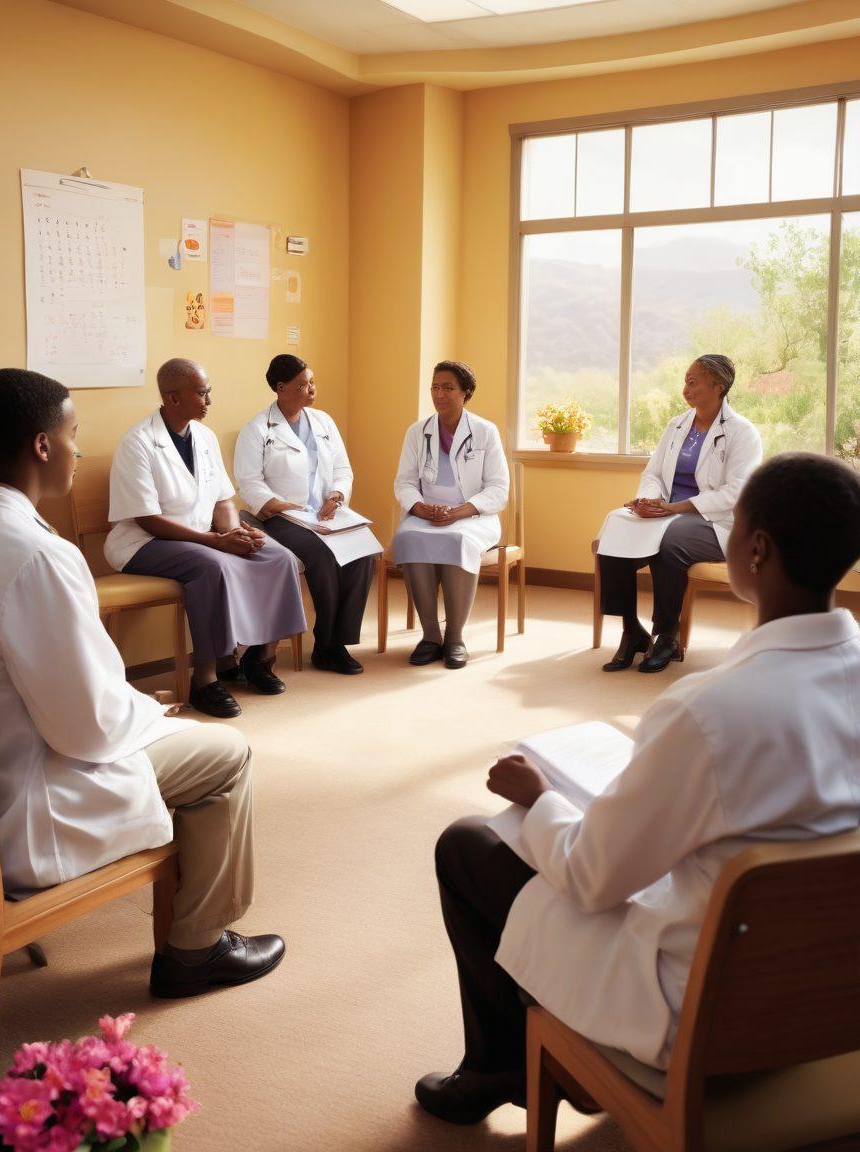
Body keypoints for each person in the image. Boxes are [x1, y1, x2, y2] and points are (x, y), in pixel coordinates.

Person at [416, 451, 860, 1124]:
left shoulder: (709, 710)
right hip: (830, 991)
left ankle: (503, 1065)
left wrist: (541, 799)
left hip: (701, 1007)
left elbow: (594, 878)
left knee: (471, 844)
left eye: (735, 524)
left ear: (757, 550)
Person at [0, 368, 285, 998]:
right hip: (29, 801)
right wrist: (148, 710)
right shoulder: (35, 555)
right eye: (74, 433)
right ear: (42, 445)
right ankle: (198, 949)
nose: (80, 450)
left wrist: (130, 703)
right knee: (226, 755)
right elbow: (86, 727)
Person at [104, 358, 307, 718]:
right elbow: (148, 519)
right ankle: (206, 679)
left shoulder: (204, 436)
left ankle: (258, 658)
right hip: (144, 542)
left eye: (209, 391)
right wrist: (215, 541)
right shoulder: (138, 443)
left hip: (202, 535)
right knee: (211, 567)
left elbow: (222, 498)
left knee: (278, 556)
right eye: (202, 393)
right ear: (173, 397)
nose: (209, 400)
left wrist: (233, 531)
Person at [597, 354, 762, 673]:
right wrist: (648, 501)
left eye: (692, 382)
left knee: (671, 542)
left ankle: (666, 636)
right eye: (685, 382)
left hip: (714, 523)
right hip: (666, 513)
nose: (685, 389)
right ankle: (632, 631)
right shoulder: (677, 425)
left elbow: (734, 493)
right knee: (615, 525)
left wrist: (673, 509)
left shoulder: (743, 432)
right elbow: (653, 473)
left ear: (718, 385)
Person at [234, 354, 379, 675]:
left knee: (365, 552)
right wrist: (278, 504)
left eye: (312, 382)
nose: (311, 389)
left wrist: (337, 495)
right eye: (303, 385)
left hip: (327, 512)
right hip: (281, 518)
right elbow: (248, 482)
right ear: (281, 388)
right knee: (323, 556)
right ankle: (326, 646)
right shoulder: (257, 428)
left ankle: (337, 642)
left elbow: (343, 468)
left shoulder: (323, 422)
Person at [392, 361, 509, 669]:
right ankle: (430, 637)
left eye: (448, 388)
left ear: (465, 393)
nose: (439, 394)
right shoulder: (418, 432)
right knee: (409, 536)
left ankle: (454, 637)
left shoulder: (485, 431)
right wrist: (419, 508)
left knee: (458, 540)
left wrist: (460, 511)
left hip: (473, 516)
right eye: (435, 387)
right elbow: (404, 481)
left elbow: (498, 489)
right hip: (426, 513)